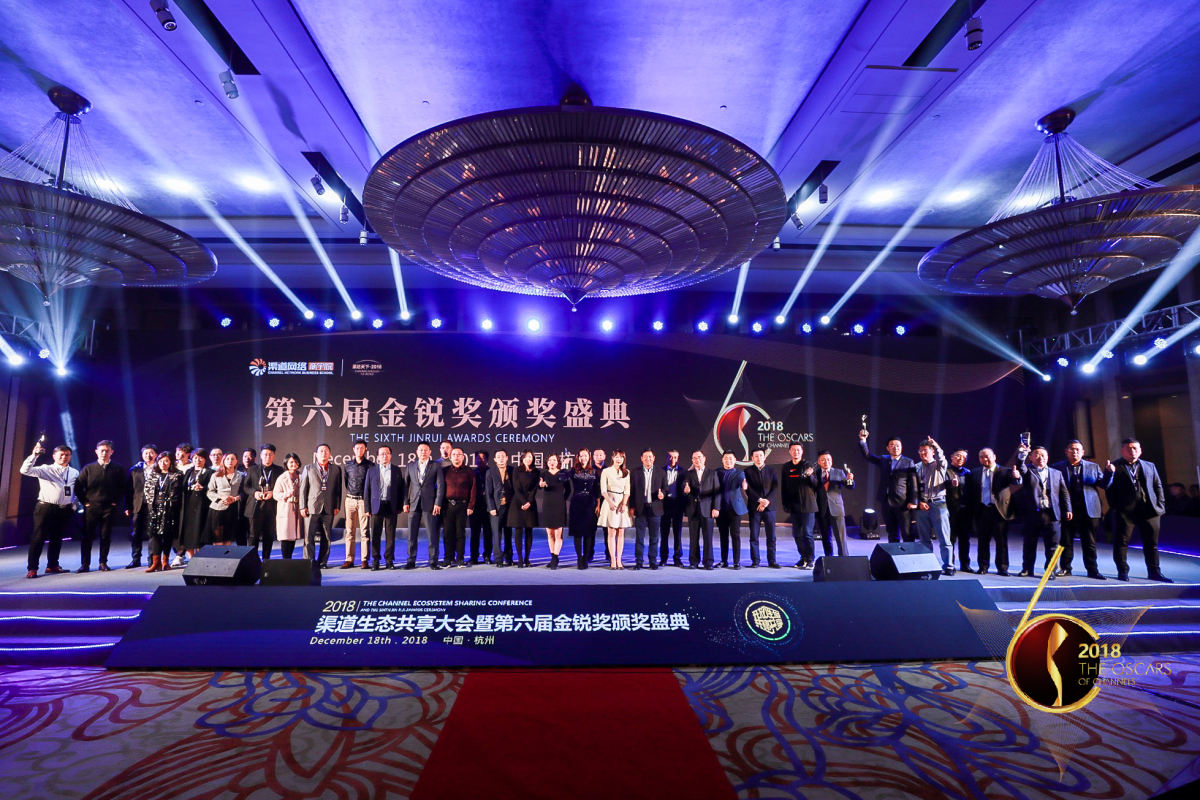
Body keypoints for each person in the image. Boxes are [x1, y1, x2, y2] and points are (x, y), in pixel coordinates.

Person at [1102, 438, 1171, 582]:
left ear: (1140, 451)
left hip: (1150, 510)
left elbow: (1158, 485)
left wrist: (1160, 505)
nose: (1132, 451)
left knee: (1151, 544)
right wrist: (1109, 473)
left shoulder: (1149, 465)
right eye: (1129, 448)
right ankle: (1122, 572)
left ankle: (1154, 572)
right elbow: (1106, 486)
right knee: (1121, 543)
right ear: (1122, 451)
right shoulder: (1114, 466)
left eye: (1135, 448)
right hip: (1125, 511)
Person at [20, 441, 78, 578]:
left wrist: (74, 504)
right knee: (38, 538)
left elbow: (75, 490)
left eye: (67, 455)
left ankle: (52, 565)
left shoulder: (74, 472)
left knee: (57, 538)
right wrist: (34, 455)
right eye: (61, 455)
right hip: (45, 508)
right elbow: (24, 470)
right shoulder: (45, 469)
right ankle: (32, 568)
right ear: (54, 456)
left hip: (64, 509)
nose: (64, 457)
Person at [1014, 445, 1071, 580]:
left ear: (1048, 457)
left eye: (1043, 455)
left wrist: (1068, 509)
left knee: (1053, 546)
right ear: (1031, 457)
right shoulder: (1028, 470)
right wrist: (1022, 454)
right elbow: (1020, 466)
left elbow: (1064, 493)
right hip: (1033, 513)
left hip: (1052, 514)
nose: (1041, 458)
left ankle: (1050, 571)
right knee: (1029, 543)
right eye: (1037, 455)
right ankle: (1027, 569)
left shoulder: (1056, 473)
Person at [1052, 440, 1107, 579]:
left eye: (1078, 450)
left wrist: (1109, 473)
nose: (1075, 452)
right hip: (1067, 510)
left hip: (1089, 509)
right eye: (1072, 449)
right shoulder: (1057, 467)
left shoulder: (1093, 467)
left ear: (1083, 452)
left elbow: (1104, 484)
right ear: (1066, 451)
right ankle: (1065, 568)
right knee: (1065, 541)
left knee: (1089, 542)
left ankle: (1092, 570)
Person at [74, 439, 127, 572]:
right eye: (102, 451)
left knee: (105, 536)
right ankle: (85, 564)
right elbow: (78, 487)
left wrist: (116, 502)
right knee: (87, 536)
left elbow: (123, 487)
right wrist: (85, 502)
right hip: (91, 507)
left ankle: (103, 562)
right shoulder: (88, 468)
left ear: (111, 452)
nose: (104, 453)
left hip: (109, 508)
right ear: (96, 452)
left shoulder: (118, 468)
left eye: (107, 451)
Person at [913, 438, 959, 575]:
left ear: (932, 452)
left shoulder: (939, 464)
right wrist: (919, 502)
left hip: (939, 504)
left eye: (925, 451)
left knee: (944, 538)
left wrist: (936, 445)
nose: (922, 453)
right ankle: (928, 566)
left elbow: (941, 456)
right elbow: (913, 487)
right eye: (920, 451)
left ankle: (949, 566)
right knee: (924, 539)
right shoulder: (916, 467)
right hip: (922, 505)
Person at [970, 448, 1017, 576]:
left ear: (994, 456)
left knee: (1001, 542)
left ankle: (1002, 568)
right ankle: (983, 567)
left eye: (987, 456)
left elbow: (1015, 481)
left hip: (999, 512)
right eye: (981, 457)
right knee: (982, 541)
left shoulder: (1005, 471)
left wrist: (1017, 477)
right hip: (982, 510)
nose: (984, 459)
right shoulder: (975, 472)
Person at [300, 443, 343, 568]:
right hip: (311, 507)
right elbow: (303, 489)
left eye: (326, 451)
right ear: (316, 454)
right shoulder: (309, 468)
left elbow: (338, 489)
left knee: (327, 537)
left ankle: (323, 562)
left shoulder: (336, 469)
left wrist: (337, 506)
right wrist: (302, 506)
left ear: (330, 454)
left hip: (329, 507)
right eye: (321, 451)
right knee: (309, 537)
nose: (324, 453)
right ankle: (309, 561)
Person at [403, 442, 444, 569]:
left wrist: (437, 503)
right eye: (421, 450)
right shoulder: (410, 466)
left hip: (430, 504)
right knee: (412, 535)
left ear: (430, 452)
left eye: (426, 450)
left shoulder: (435, 466)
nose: (423, 452)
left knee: (432, 534)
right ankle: (411, 560)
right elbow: (405, 486)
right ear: (417, 452)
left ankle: (433, 561)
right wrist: (405, 502)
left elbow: (440, 486)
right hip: (413, 503)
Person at [364, 445, 405, 569]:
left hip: (391, 506)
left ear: (390, 455)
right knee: (375, 534)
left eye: (387, 453)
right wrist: (367, 508)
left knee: (390, 534)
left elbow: (401, 490)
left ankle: (389, 560)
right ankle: (375, 560)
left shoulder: (396, 470)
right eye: (381, 454)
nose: (384, 456)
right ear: (377, 456)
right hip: (376, 506)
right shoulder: (371, 470)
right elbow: (367, 490)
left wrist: (400, 506)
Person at [142, 451, 182, 572]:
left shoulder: (177, 475)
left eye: (166, 461)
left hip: (169, 509)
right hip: (155, 509)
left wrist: (170, 503)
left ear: (170, 462)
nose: (163, 463)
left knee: (167, 536)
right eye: (160, 461)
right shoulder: (153, 474)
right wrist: (151, 505)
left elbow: (178, 493)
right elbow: (147, 491)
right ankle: (156, 563)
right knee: (154, 536)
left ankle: (165, 562)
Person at [780, 443, 818, 569]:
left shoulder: (807, 465)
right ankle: (803, 558)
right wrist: (785, 503)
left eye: (798, 450)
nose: (796, 452)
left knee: (807, 533)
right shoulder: (786, 467)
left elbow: (815, 484)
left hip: (808, 505)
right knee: (796, 534)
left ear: (802, 451)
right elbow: (784, 487)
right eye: (793, 450)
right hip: (794, 505)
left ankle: (811, 559)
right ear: (789, 451)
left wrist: (810, 475)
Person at [245, 444, 284, 562]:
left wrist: (273, 493)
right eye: (265, 454)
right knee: (253, 536)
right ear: (261, 456)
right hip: (255, 507)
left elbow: (282, 488)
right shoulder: (252, 469)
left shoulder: (279, 470)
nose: (268, 457)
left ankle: (266, 560)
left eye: (270, 454)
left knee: (269, 536)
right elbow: (246, 487)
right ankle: (252, 560)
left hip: (271, 508)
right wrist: (255, 493)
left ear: (274, 456)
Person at [684, 451, 721, 569]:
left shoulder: (712, 473)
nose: (697, 460)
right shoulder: (688, 474)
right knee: (693, 538)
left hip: (708, 510)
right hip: (693, 510)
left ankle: (708, 562)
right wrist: (686, 492)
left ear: (704, 458)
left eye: (699, 457)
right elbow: (684, 491)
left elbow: (717, 492)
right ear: (692, 460)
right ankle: (693, 562)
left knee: (708, 538)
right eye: (694, 458)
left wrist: (716, 507)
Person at [812, 451, 853, 559]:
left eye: (828, 459)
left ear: (832, 461)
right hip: (821, 509)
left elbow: (849, 486)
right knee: (826, 537)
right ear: (819, 462)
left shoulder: (839, 472)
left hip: (837, 508)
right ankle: (829, 559)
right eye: (823, 460)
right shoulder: (815, 473)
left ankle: (844, 558)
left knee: (841, 537)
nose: (826, 462)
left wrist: (850, 480)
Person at [629, 448, 665, 570]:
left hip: (655, 508)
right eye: (645, 457)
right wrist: (632, 507)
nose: (648, 459)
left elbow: (665, 488)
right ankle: (639, 562)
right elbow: (632, 491)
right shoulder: (635, 472)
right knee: (639, 537)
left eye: (650, 457)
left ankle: (652, 561)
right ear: (641, 458)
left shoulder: (660, 472)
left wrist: (662, 494)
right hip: (641, 508)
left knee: (654, 537)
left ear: (654, 458)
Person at [744, 448, 780, 568]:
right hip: (754, 507)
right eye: (756, 456)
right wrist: (760, 500)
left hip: (770, 507)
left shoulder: (772, 470)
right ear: (752, 458)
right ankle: (755, 560)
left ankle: (772, 561)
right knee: (754, 535)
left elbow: (775, 487)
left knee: (771, 536)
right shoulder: (747, 471)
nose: (758, 458)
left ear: (765, 457)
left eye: (760, 455)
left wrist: (766, 501)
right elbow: (748, 489)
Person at [442, 447, 478, 568]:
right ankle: (448, 558)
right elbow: (441, 489)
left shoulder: (469, 471)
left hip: (463, 506)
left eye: (459, 455)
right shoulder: (445, 471)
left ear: (463, 457)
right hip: (447, 506)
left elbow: (473, 489)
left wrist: (471, 505)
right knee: (448, 533)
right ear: (450, 457)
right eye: (454, 454)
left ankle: (460, 558)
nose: (456, 457)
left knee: (460, 533)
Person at [123, 443, 157, 568]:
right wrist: (127, 506)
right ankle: (136, 559)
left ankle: (152, 559)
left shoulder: (159, 468)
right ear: (142, 455)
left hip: (154, 506)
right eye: (145, 453)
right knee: (136, 533)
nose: (148, 455)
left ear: (156, 454)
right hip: (137, 505)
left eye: (151, 453)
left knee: (152, 533)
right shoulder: (134, 469)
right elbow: (128, 490)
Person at [340, 439, 372, 568]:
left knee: (364, 532)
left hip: (363, 500)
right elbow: (346, 482)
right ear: (353, 449)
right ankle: (349, 559)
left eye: (362, 448)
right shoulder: (348, 465)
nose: (359, 450)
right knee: (349, 531)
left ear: (365, 449)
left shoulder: (370, 465)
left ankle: (364, 559)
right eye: (357, 448)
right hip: (350, 500)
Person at [176, 448, 213, 562]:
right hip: (188, 506)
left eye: (201, 458)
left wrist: (203, 488)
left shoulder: (209, 472)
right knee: (188, 533)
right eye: (195, 458)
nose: (198, 460)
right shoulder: (189, 471)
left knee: (199, 532)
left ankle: (201, 558)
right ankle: (192, 558)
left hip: (202, 506)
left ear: (205, 459)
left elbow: (213, 488)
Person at [598, 449, 632, 569]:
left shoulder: (626, 472)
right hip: (610, 502)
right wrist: (610, 502)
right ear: (612, 458)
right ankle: (612, 560)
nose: (619, 459)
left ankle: (619, 560)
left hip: (622, 503)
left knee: (621, 532)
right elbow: (603, 490)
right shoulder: (606, 471)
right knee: (611, 532)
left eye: (621, 457)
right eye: (617, 457)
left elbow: (627, 490)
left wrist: (624, 504)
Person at [716, 451, 748, 569]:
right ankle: (724, 561)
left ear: (735, 460)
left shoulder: (740, 473)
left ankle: (736, 562)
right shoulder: (717, 472)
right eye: (726, 458)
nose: (728, 461)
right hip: (721, 509)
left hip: (735, 510)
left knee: (735, 535)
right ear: (722, 460)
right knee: (723, 535)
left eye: (730, 458)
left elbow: (743, 483)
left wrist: (745, 485)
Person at [539, 453, 572, 569]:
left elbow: (569, 490)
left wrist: (562, 499)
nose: (551, 462)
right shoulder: (543, 473)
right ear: (547, 462)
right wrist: (540, 485)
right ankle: (553, 557)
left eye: (554, 460)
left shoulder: (563, 473)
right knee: (550, 533)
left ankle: (555, 558)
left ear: (558, 462)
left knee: (558, 533)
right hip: (547, 505)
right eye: (549, 460)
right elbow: (539, 486)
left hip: (559, 505)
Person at [508, 450, 540, 568]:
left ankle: (527, 558)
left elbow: (534, 489)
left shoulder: (536, 471)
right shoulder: (517, 470)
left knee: (529, 531)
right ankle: (520, 559)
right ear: (522, 458)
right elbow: (516, 488)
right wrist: (523, 501)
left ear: (533, 458)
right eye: (526, 457)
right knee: (518, 531)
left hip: (530, 504)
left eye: (530, 457)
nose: (528, 459)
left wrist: (529, 502)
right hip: (518, 503)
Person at [568, 448, 599, 569]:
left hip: (590, 504)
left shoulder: (594, 471)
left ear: (589, 457)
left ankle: (586, 558)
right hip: (577, 503)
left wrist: (598, 505)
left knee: (588, 532)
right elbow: (562, 477)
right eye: (581, 456)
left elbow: (597, 490)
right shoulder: (573, 470)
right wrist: (564, 466)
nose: (583, 458)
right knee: (577, 533)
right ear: (578, 457)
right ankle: (579, 558)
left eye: (585, 455)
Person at [207, 452, 246, 546]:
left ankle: (226, 555)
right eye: (227, 459)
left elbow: (244, 492)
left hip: (233, 508)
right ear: (223, 461)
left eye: (232, 459)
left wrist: (235, 498)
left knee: (228, 538)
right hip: (217, 508)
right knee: (218, 538)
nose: (230, 461)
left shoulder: (241, 475)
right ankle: (218, 555)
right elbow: (210, 492)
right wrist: (221, 497)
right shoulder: (216, 475)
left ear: (236, 461)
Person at [272, 453, 306, 559]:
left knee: (293, 536)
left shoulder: (302, 476)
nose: (293, 464)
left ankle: (289, 559)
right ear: (286, 463)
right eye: (291, 462)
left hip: (297, 509)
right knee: (286, 536)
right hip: (286, 508)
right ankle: (286, 560)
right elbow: (275, 494)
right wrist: (286, 495)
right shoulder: (282, 478)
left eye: (295, 462)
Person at [946, 450, 973, 573]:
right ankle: (950, 564)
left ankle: (965, 564)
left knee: (965, 539)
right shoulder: (945, 471)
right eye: (958, 455)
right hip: (950, 511)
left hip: (965, 511)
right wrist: (950, 484)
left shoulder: (968, 473)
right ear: (952, 456)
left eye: (964, 457)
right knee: (950, 539)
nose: (961, 458)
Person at [487, 450, 515, 567]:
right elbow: (488, 492)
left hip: (510, 506)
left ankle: (509, 557)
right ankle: (498, 559)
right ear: (495, 459)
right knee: (497, 534)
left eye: (503, 456)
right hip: (496, 508)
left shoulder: (512, 470)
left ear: (507, 457)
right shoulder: (490, 472)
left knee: (508, 533)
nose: (501, 458)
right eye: (498, 457)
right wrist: (491, 507)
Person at [659, 449, 686, 566]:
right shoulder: (660, 471)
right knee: (664, 533)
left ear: (678, 458)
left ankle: (677, 558)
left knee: (677, 533)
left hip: (678, 505)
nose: (672, 459)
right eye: (670, 457)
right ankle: (663, 558)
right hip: (664, 505)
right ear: (666, 458)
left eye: (675, 457)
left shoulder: (683, 472)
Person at [469, 450, 492, 564]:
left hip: (489, 507)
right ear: (475, 460)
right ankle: (474, 557)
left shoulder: (491, 472)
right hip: (476, 507)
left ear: (487, 460)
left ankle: (487, 556)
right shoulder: (472, 473)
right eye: (479, 458)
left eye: (483, 458)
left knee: (488, 533)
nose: (481, 460)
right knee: (474, 533)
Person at [592, 448, 609, 562]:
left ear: (605, 456)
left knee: (607, 530)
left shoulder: (609, 470)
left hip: (606, 501)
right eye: (596, 455)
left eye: (601, 454)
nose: (599, 456)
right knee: (591, 529)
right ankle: (589, 554)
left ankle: (609, 554)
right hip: (592, 502)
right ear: (593, 457)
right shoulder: (589, 470)